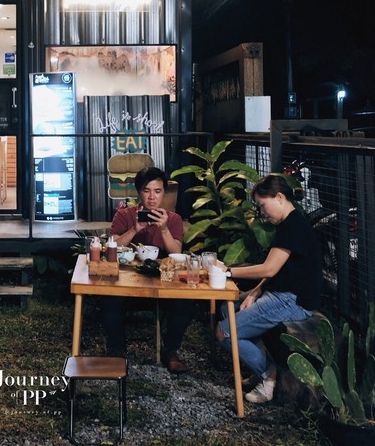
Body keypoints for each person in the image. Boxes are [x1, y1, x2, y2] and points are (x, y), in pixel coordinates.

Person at [213, 174, 322, 404]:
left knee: (225, 332)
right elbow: (276, 270)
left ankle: (268, 375)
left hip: (292, 300)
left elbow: (269, 269)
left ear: (279, 197)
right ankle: (261, 366)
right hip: (280, 294)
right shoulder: (288, 223)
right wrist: (255, 292)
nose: (261, 212)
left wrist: (228, 271)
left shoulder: (293, 227)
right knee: (227, 308)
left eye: (263, 205)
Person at [103, 166, 192, 373]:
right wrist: (135, 229)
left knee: (186, 301)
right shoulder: (125, 215)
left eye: (157, 191)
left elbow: (176, 252)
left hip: (163, 281)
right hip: (128, 280)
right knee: (109, 297)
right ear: (139, 192)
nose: (152, 197)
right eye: (147, 191)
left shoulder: (173, 219)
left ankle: (171, 350)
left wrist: (164, 229)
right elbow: (111, 247)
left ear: (164, 193)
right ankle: (117, 351)